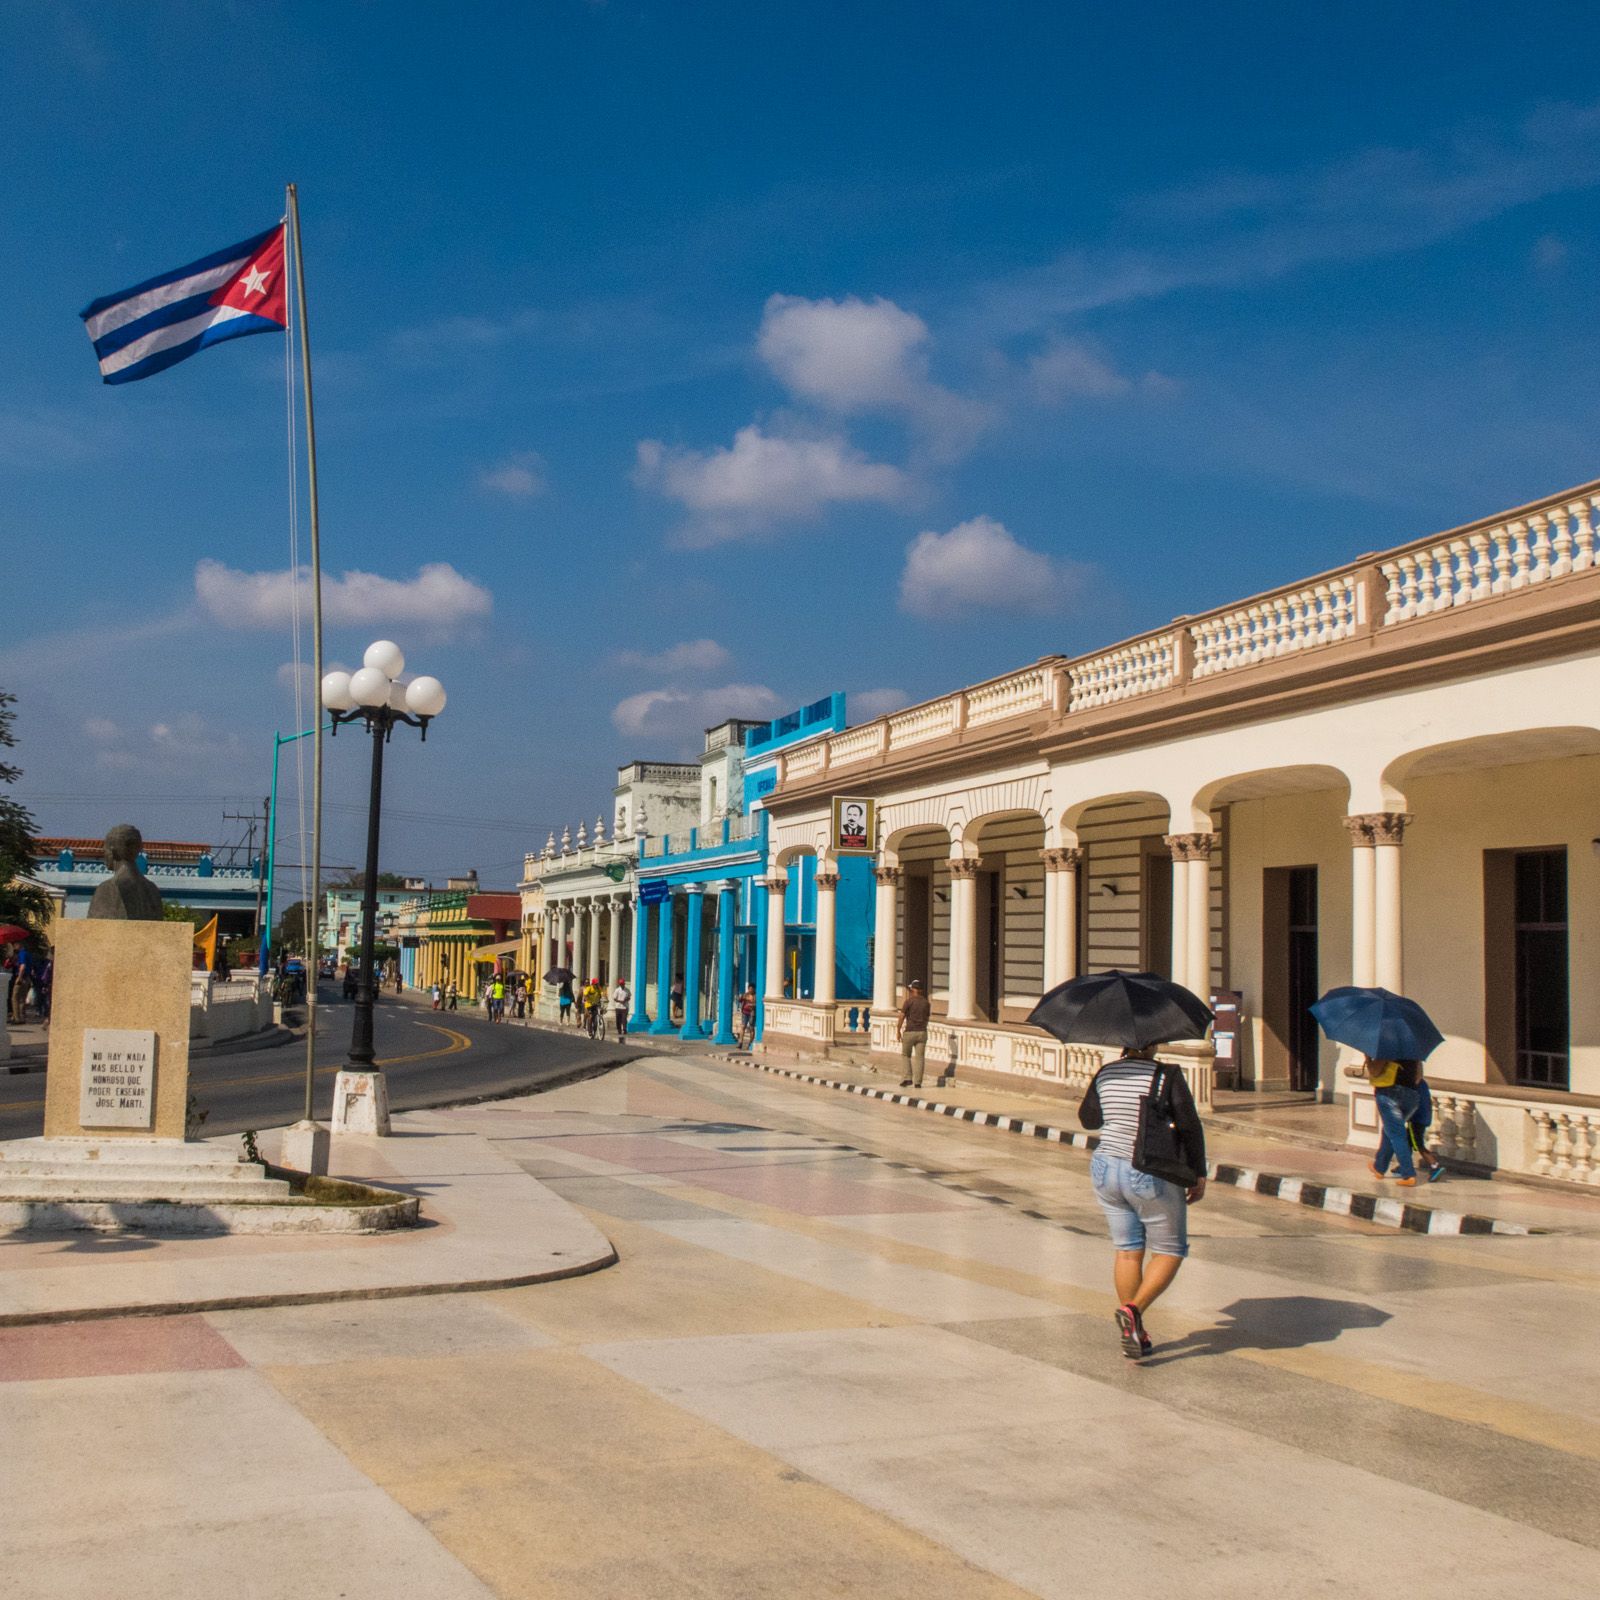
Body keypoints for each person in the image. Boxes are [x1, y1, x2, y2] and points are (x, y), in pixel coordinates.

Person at [1078, 1045, 1207, 1360]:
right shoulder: (1166, 1075)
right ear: (1154, 1044)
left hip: (1105, 1167)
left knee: (1127, 1251)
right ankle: (1133, 1311)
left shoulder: (1106, 1071)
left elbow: (1088, 1120)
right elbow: (1189, 1125)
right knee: (1170, 1251)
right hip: (1147, 1168)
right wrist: (1198, 1173)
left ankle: (1133, 1332)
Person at [1344, 1054, 1423, 1186]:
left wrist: (1368, 1058)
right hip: (1411, 1096)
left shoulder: (1388, 1048)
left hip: (1389, 1093)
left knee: (1397, 1134)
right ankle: (1379, 1167)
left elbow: (1375, 1071)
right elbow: (1418, 1077)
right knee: (1390, 1130)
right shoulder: (1413, 1051)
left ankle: (1408, 1174)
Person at [896, 979, 931, 1088]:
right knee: (920, 1058)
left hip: (910, 1031)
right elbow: (927, 1018)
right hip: (922, 1032)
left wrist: (898, 1030)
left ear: (912, 989)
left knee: (906, 1055)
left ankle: (907, 1079)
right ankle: (918, 1082)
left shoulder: (908, 1002)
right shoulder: (926, 1003)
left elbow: (901, 1017)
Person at [738, 982, 757, 1048]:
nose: (750, 990)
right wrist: (740, 998)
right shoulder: (745, 995)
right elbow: (740, 1001)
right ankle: (740, 1042)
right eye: (749, 989)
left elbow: (758, 1004)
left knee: (751, 1028)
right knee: (743, 1027)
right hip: (745, 1012)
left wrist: (751, 1005)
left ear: (754, 989)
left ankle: (750, 1043)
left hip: (752, 1013)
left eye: (751, 989)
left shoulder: (755, 996)